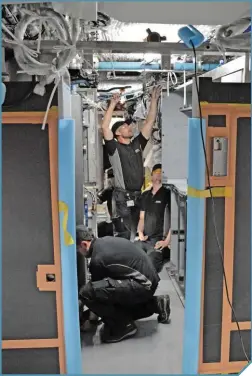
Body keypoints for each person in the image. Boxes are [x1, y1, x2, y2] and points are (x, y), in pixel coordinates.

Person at [77, 225, 171, 344]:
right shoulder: (105, 241)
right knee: (111, 296)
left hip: (143, 284)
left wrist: (91, 321)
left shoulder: (97, 259)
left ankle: (123, 326)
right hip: (148, 281)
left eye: (78, 249)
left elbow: (95, 294)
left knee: (87, 292)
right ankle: (155, 304)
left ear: (84, 244)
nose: (79, 253)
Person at [101, 86, 161, 241]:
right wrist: (112, 104)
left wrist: (154, 100)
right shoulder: (114, 148)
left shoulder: (137, 144)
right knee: (125, 233)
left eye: (128, 125)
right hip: (122, 197)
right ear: (118, 133)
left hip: (138, 196)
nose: (128, 127)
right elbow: (104, 128)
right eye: (124, 127)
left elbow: (149, 122)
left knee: (140, 231)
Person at [135, 164, 171, 273]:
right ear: (151, 176)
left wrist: (166, 242)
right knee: (131, 258)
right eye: (155, 172)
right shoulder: (145, 195)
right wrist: (140, 233)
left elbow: (174, 221)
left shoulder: (168, 194)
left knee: (150, 265)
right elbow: (142, 218)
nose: (158, 175)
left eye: (160, 172)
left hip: (158, 241)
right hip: (145, 240)